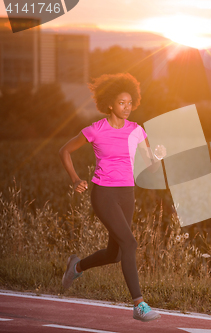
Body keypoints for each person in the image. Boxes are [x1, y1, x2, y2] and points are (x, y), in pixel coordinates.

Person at [58, 73, 166, 322]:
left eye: (130, 103)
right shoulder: (96, 130)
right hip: (104, 193)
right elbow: (64, 151)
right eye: (121, 103)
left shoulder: (137, 131)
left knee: (115, 253)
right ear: (109, 104)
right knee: (130, 244)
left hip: (127, 194)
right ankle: (139, 305)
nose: (127, 108)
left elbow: (151, 168)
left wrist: (157, 158)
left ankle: (76, 267)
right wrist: (75, 179)